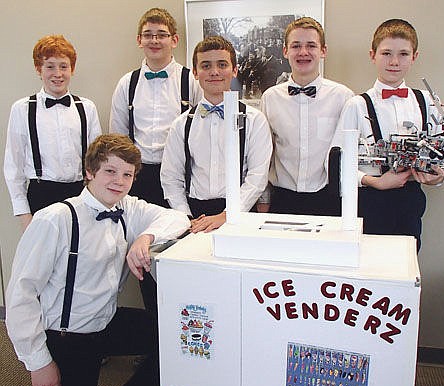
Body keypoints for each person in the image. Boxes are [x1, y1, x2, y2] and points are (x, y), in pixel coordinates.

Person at [5, 134, 190, 386]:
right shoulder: (55, 219)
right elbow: (21, 295)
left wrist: (145, 238)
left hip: (105, 323)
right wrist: (38, 362)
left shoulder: (128, 208)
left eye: (127, 174)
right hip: (66, 337)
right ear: (89, 172)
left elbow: (179, 218)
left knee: (177, 336)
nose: (119, 180)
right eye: (110, 171)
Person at [109, 7, 202, 314]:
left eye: (161, 34)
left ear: (174, 39)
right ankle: (154, 341)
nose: (155, 40)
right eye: (148, 35)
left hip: (182, 179)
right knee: (145, 257)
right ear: (139, 40)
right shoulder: (127, 83)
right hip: (140, 181)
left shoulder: (191, 80)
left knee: (182, 253)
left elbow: (204, 130)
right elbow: (119, 138)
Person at [334, 19, 444, 250]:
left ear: (414, 57)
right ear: (373, 55)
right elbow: (337, 164)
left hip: (411, 201)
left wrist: (438, 176)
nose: (394, 62)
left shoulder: (428, 102)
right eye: (386, 53)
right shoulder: (356, 105)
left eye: (403, 54)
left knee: (405, 269)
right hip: (369, 203)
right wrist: (375, 182)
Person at [161, 36, 272, 233]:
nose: (214, 72)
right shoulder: (181, 124)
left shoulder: (255, 120)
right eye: (206, 66)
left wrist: (228, 214)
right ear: (195, 72)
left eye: (222, 64)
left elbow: (257, 177)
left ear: (234, 70)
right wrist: (186, 218)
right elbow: (171, 177)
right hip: (193, 216)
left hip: (240, 212)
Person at [4, 34, 102, 232]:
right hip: (41, 195)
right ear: (38, 69)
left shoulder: (87, 108)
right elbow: (13, 167)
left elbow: (97, 162)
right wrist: (25, 216)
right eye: (50, 66)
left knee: (81, 257)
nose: (57, 73)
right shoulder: (22, 109)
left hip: (81, 194)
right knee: (45, 260)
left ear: (72, 69)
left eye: (63, 66)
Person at [258, 17, 354, 215]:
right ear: (285, 51)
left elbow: (350, 155)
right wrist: (263, 199)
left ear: (323, 51)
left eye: (311, 45)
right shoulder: (270, 98)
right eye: (296, 46)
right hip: (282, 199)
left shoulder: (344, 97)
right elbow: (264, 155)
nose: (303, 52)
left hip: (329, 199)